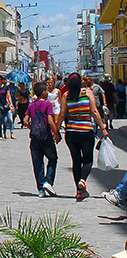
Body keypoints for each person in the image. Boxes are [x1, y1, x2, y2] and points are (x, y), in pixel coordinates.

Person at [56, 73, 108, 202]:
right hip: (86, 131)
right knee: (88, 160)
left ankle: (79, 192)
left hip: (71, 132)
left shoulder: (66, 95)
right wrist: (103, 128)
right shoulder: (87, 92)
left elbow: (62, 114)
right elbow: (95, 112)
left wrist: (56, 131)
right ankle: (83, 181)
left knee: (76, 161)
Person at [25, 82, 60, 197]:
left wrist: (32, 128)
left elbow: (25, 120)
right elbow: (50, 121)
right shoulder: (47, 105)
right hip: (46, 137)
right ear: (44, 93)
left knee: (37, 163)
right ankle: (48, 182)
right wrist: (56, 133)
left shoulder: (31, 105)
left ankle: (41, 189)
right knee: (53, 158)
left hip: (34, 138)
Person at [0, 76, 15, 140]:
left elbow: (9, 96)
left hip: (5, 105)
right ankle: (0, 135)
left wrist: (11, 105)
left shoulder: (6, 88)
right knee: (0, 120)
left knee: (6, 120)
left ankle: (5, 133)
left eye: (0, 80)